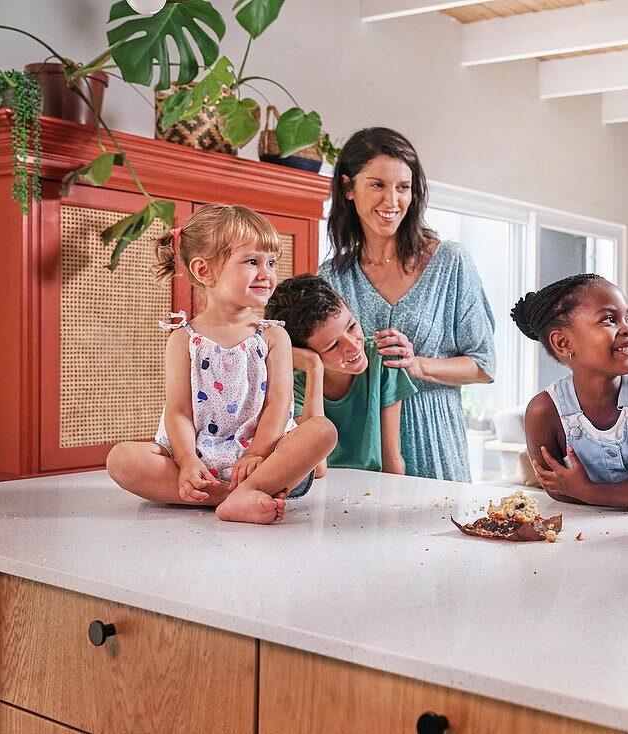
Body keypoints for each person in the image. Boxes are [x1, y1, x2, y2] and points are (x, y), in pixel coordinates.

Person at [106, 205, 337, 524]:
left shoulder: (272, 336)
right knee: (121, 459)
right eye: (252, 261)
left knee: (322, 431)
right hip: (201, 461)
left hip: (266, 462)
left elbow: (279, 404)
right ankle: (226, 497)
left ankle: (253, 488)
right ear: (204, 271)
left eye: (271, 262)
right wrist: (187, 461)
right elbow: (178, 411)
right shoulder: (182, 339)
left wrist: (257, 453)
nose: (267, 273)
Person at [319, 127, 495, 482]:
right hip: (359, 444)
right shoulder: (331, 277)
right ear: (348, 188)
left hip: (434, 437)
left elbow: (483, 365)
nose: (392, 201)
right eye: (377, 185)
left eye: (403, 187)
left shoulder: (451, 262)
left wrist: (418, 366)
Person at [511, 273, 628, 509]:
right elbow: (558, 491)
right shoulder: (543, 411)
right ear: (564, 343)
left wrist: (589, 491)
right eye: (609, 320)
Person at [264, 273, 417, 474]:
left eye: (352, 326)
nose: (353, 346)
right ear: (301, 352)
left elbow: (392, 457)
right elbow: (316, 467)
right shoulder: (292, 386)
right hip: (321, 488)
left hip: (374, 487)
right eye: (333, 345)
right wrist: (314, 369)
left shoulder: (383, 359)